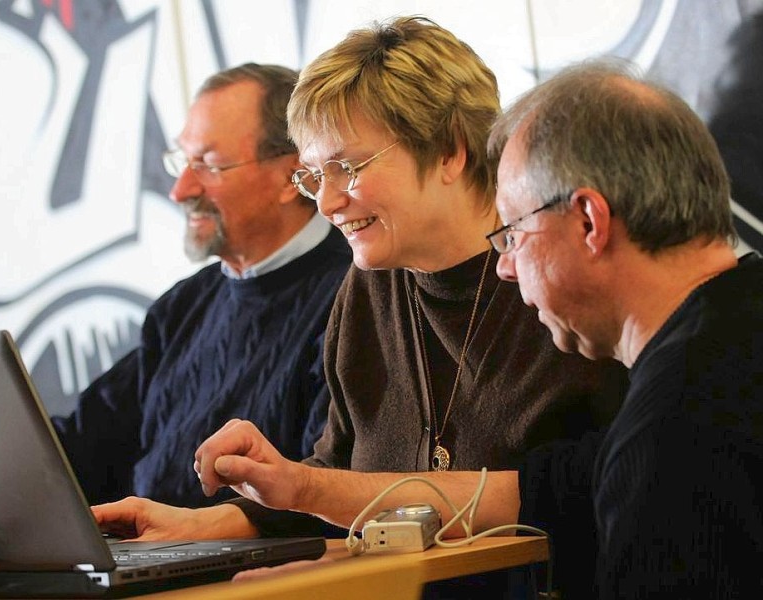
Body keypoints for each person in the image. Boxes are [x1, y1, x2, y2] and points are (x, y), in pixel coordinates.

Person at [168, 59, 763, 598]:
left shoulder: (680, 421)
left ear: (589, 221)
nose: (505, 262)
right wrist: (293, 491)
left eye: (514, 231)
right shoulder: (709, 352)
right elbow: (536, 491)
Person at [94, 18, 627, 593]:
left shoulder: (560, 274)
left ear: (450, 152)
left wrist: (307, 495)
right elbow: (341, 479)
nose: (325, 203)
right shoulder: (368, 286)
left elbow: (598, 489)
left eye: (346, 168)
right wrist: (199, 526)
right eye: (312, 176)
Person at [52, 63, 352, 509]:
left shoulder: (356, 296)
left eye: (207, 165)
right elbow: (80, 445)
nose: (180, 190)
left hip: (260, 576)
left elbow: (327, 482)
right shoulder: (180, 307)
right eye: (182, 161)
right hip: (149, 562)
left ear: (293, 177)